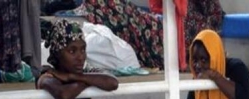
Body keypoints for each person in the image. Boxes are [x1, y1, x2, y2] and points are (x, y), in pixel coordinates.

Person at [84, 0, 224, 70]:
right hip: (160, 31)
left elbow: (213, 21)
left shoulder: (208, 19)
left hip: (169, 43)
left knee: (124, 14)